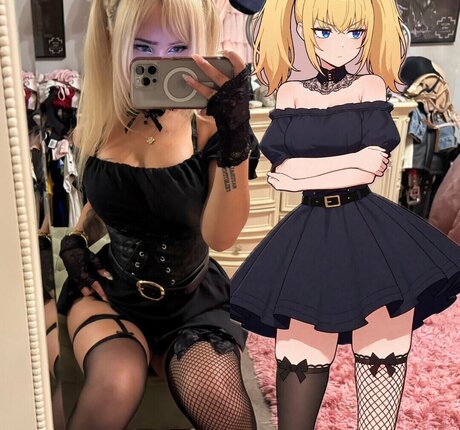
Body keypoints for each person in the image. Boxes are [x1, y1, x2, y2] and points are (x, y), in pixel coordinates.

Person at [229, 1, 460, 429]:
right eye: (324, 31)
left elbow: (369, 167)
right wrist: (342, 163)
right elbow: (282, 174)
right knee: (301, 345)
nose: (341, 46)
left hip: (367, 225)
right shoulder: (289, 92)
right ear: (296, 28)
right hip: (309, 230)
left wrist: (308, 170)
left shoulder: (370, 85)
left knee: (383, 334)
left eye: (356, 33)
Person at [57, 1, 259, 429]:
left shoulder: (208, 128)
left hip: (192, 301)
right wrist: (76, 239)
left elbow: (221, 237)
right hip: (112, 292)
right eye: (144, 47)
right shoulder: (101, 117)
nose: (163, 63)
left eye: (179, 48)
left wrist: (234, 138)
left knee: (220, 402)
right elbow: (111, 200)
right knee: (115, 381)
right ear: (114, 41)